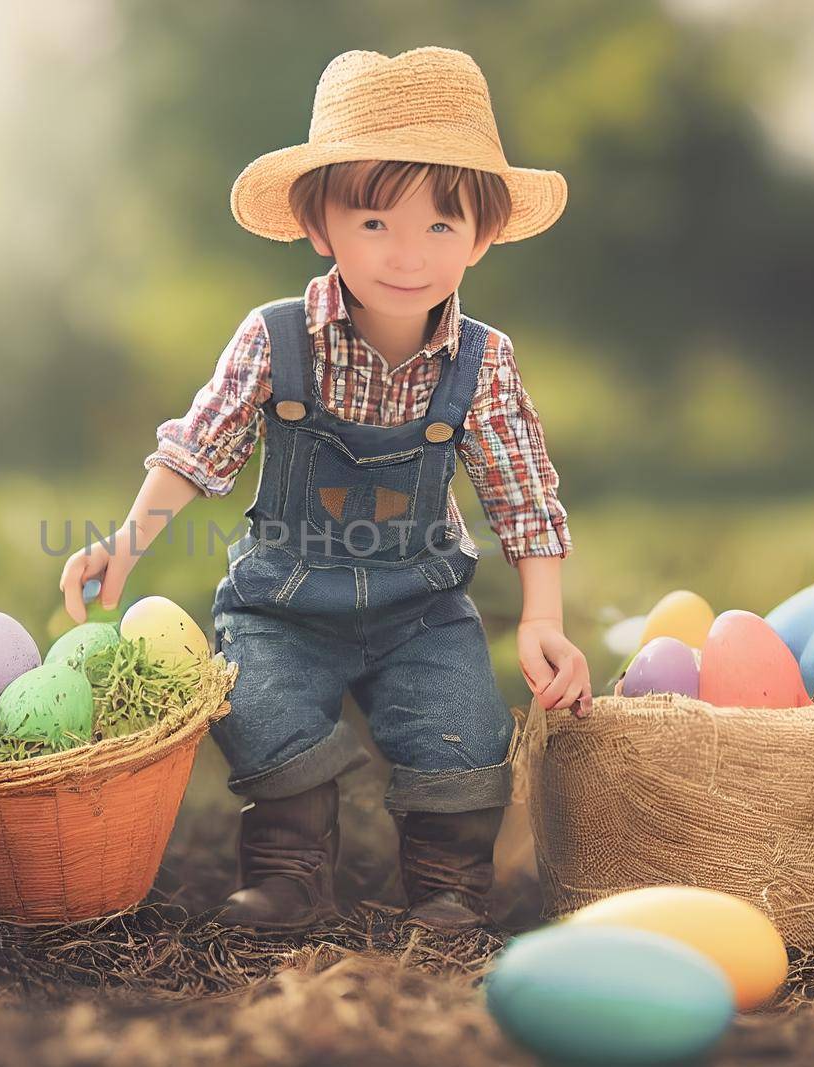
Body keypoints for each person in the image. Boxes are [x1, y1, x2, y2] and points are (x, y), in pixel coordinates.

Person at [60, 46, 591, 932]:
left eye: (440, 228)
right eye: (375, 223)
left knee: (461, 725)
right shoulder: (277, 339)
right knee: (258, 700)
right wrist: (126, 542)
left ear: (483, 236)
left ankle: (449, 886)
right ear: (321, 225)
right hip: (286, 599)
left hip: (419, 602)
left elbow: (523, 493)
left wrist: (542, 617)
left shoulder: (481, 360)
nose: (408, 256)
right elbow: (200, 447)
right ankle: (290, 872)